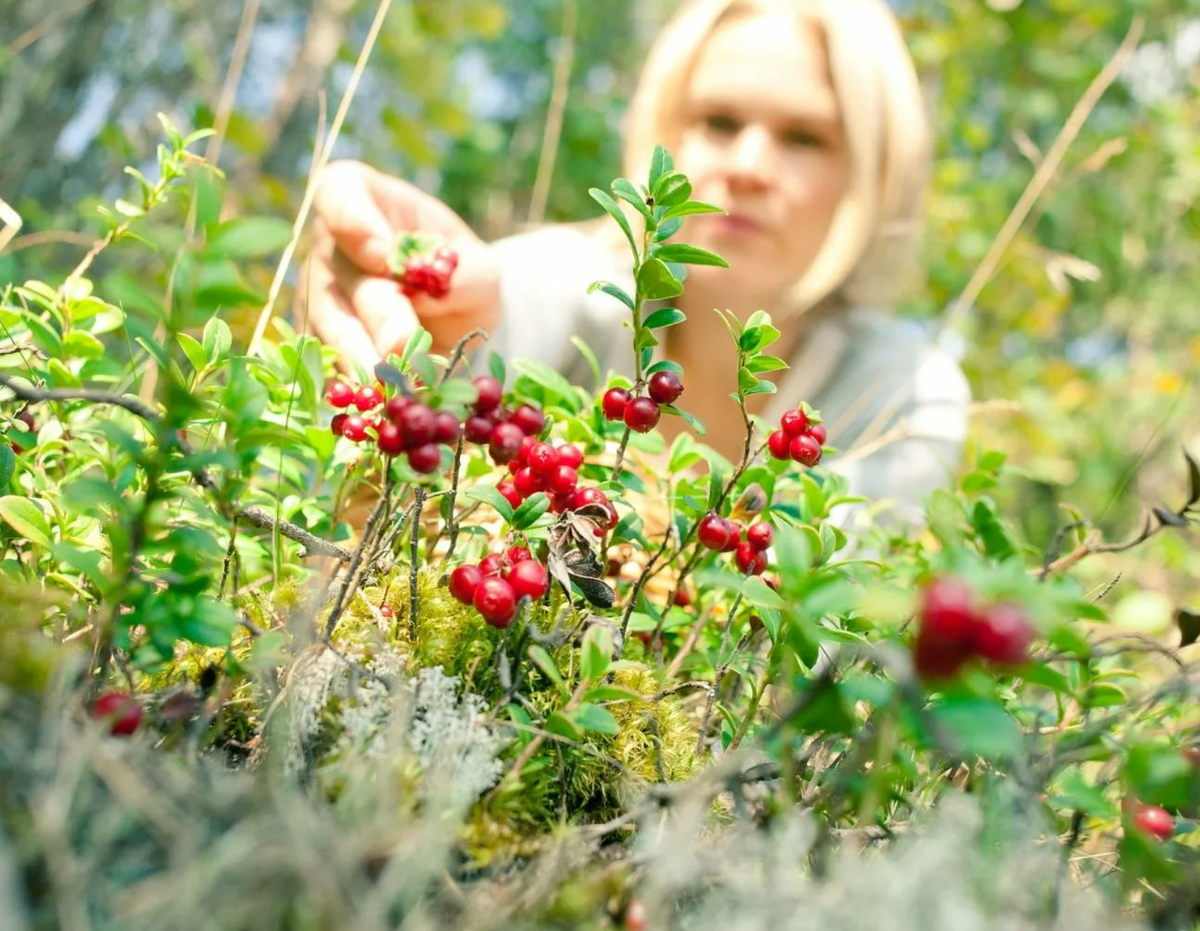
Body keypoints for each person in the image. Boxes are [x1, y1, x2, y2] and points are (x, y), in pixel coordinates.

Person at [301, 0, 970, 526]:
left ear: (876, 172)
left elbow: (817, 634)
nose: (747, 167)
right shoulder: (584, 283)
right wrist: (433, 314)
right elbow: (495, 318)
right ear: (665, 129)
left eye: (805, 137)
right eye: (719, 121)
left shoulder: (904, 395)